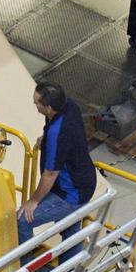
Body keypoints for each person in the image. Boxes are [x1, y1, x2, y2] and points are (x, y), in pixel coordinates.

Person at [19, 83, 96, 260]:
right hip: (84, 180)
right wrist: (45, 140)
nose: (34, 103)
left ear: (49, 108)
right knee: (70, 229)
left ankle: (21, 270)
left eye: (37, 103)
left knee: (22, 220)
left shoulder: (57, 132)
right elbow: (66, 136)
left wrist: (33, 201)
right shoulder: (69, 106)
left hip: (71, 193)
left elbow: (50, 174)